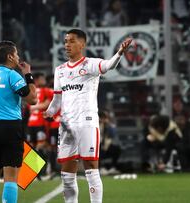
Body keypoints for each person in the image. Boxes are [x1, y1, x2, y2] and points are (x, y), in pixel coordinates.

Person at [45, 29, 132, 203]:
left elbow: (108, 66)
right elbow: (57, 100)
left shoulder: (91, 64)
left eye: (71, 41)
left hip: (87, 123)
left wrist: (120, 53)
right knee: (67, 174)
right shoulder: (60, 70)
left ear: (82, 44)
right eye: (65, 41)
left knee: (91, 168)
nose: (67, 45)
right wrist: (48, 111)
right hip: (67, 127)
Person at [0, 41, 37, 203]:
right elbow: (33, 99)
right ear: (10, 56)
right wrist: (28, 74)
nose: (18, 57)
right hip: (10, 127)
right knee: (11, 176)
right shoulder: (12, 75)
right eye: (16, 54)